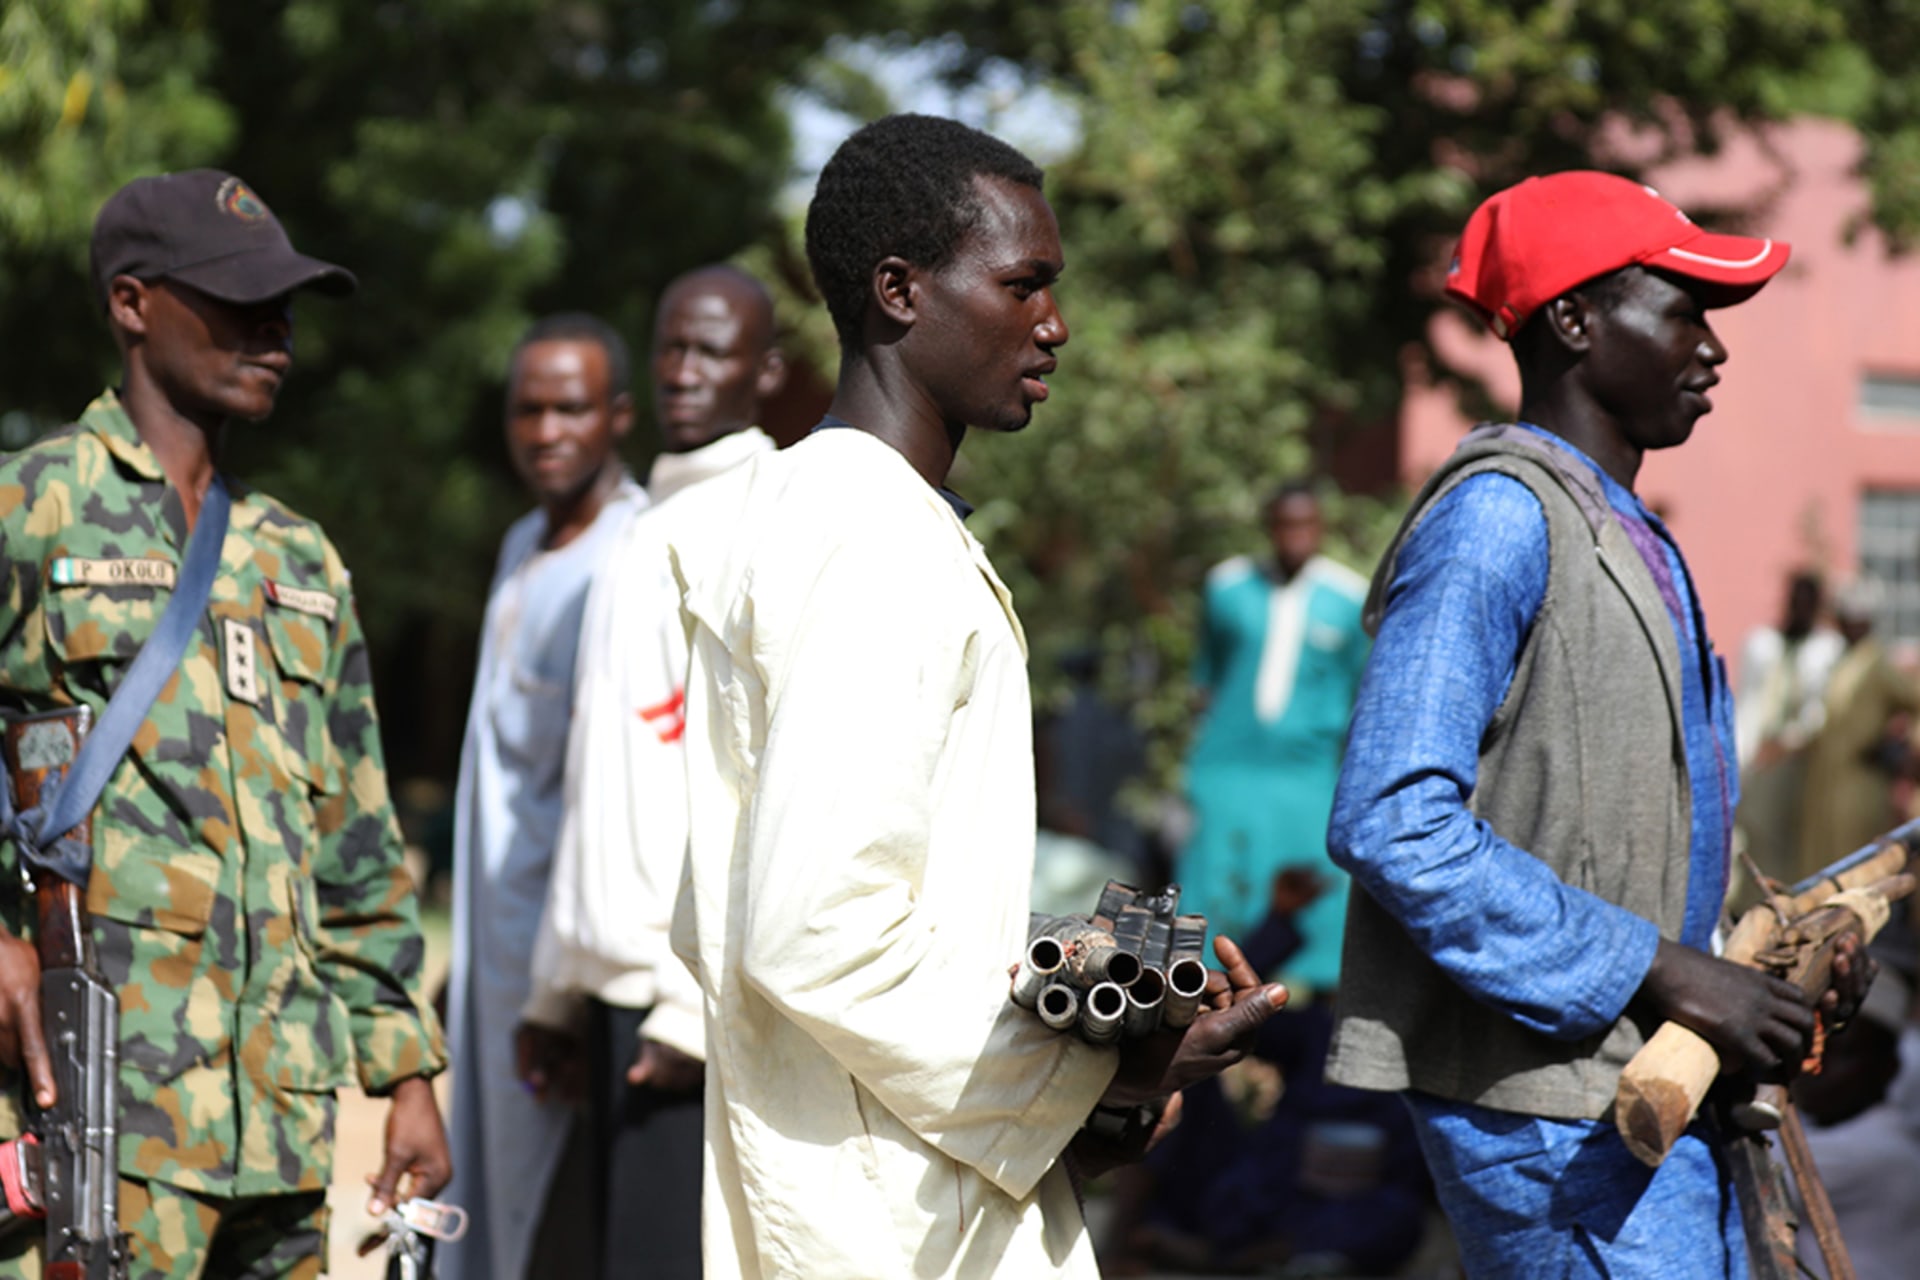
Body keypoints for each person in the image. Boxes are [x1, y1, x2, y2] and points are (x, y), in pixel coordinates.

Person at [664, 113, 1288, 1279]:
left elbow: (749, 906)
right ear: (899, 291)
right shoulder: (869, 540)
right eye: (1023, 285)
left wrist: (1088, 990)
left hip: (883, 1164)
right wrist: (1094, 1074)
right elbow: (814, 931)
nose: (1056, 325)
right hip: (887, 1213)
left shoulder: (817, 511)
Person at [1326, 171, 1870, 1279]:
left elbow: (1632, 840)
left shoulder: (1628, 534)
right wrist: (1661, 970)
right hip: (1549, 1113)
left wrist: (1757, 972)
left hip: (1641, 1087)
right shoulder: (1495, 518)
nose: (1713, 348)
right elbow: (1391, 818)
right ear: (1573, 320)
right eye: (1681, 310)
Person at [0, 169, 448, 1277]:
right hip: (107, 1112)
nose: (277, 329)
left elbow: (355, 838)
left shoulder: (299, 558)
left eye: (286, 303)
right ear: (132, 302)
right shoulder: (29, 507)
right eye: (239, 299)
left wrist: (405, 1074)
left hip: (286, 1121)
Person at [516, 265, 785, 1279]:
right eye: (669, 346)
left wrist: (687, 1005)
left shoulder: (762, 520)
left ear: (764, 370)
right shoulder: (643, 521)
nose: (682, 371)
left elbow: (747, 788)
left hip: (685, 1008)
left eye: (710, 350)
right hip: (606, 992)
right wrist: (555, 984)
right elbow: (607, 782)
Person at [439, 314, 644, 1280]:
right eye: (529, 409)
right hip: (495, 951)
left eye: (571, 408)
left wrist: (561, 996)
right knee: (481, 1195)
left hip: (569, 967)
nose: (547, 431)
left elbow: (616, 792)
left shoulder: (634, 554)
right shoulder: (525, 541)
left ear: (618, 417)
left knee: (552, 1222)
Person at [1178, 483, 1369, 991]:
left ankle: (1308, 999)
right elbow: (1208, 677)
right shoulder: (1228, 587)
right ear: (1270, 527)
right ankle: (1208, 992)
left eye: (1306, 525)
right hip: (1230, 766)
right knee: (1220, 886)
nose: (1295, 538)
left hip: (1305, 776)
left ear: (1320, 528)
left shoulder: (1347, 598)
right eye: (1286, 525)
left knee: (1311, 892)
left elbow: (1358, 693)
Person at [1791, 963, 1920, 1280]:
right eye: (1816, 1050)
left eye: (1843, 1054)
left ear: (1887, 1068)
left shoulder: (1876, 1150)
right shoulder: (1834, 1130)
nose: (1817, 1069)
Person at [1795, 580, 1917, 880]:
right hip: (1827, 783)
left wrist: (1899, 747)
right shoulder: (1840, 660)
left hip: (1860, 784)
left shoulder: (1876, 663)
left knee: (1855, 872)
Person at [1734, 570, 1842, 886]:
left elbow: (1819, 714)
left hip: (1798, 763)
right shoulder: (1761, 643)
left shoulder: (1827, 650)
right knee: (1749, 838)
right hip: (1755, 759)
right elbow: (1748, 702)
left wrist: (1786, 744)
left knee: (1790, 846)